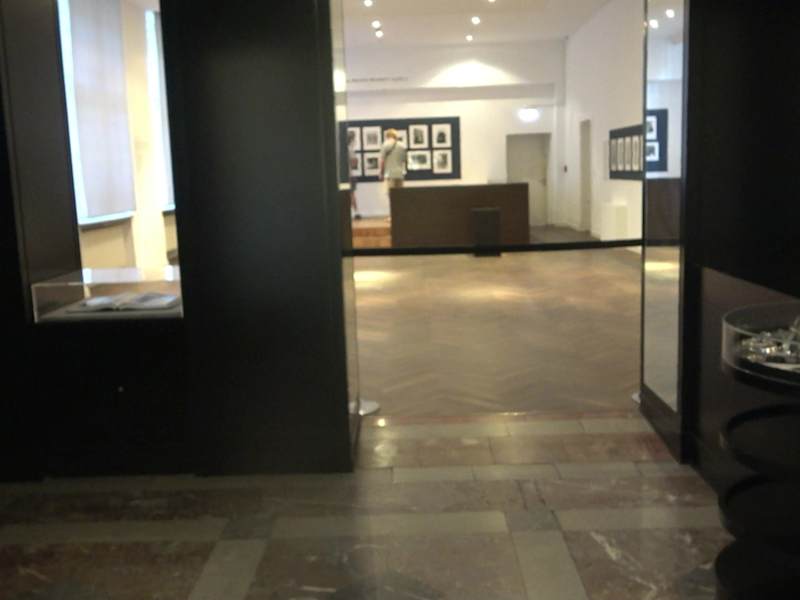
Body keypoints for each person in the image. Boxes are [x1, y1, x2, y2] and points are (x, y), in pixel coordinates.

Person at [347, 130, 361, 220]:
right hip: (350, 175)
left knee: (349, 194)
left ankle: (355, 212)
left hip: (347, 175)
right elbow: (354, 162)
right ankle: (356, 212)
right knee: (351, 194)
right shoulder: (350, 149)